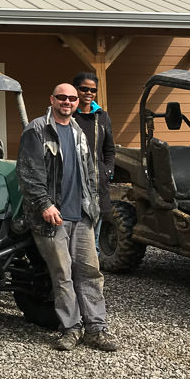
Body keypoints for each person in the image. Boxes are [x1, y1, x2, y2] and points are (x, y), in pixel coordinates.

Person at [16, 82, 118, 352]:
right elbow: (28, 174)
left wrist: (93, 206)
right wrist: (44, 205)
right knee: (62, 275)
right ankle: (70, 329)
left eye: (72, 98)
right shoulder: (37, 130)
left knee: (90, 273)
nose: (67, 102)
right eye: (62, 97)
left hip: (81, 215)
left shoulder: (77, 131)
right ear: (52, 100)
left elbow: (88, 172)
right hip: (52, 218)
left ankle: (96, 329)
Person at [72, 72, 116, 248]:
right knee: (74, 239)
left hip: (97, 186)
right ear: (76, 90)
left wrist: (108, 171)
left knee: (94, 240)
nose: (89, 93)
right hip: (73, 188)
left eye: (93, 90)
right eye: (84, 89)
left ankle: (92, 265)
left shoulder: (102, 117)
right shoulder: (69, 115)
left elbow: (109, 149)